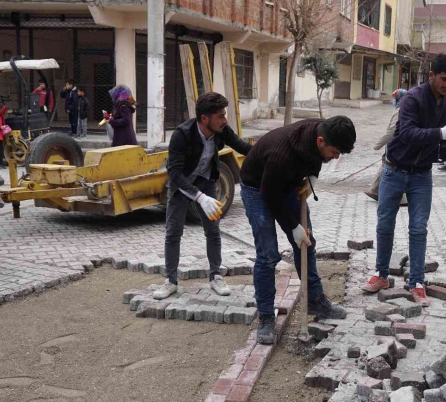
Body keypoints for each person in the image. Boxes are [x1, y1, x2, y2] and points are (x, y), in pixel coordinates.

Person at [361, 54, 446, 307]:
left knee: (418, 228)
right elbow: (408, 133)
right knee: (384, 225)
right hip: (394, 170)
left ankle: (417, 283)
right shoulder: (412, 98)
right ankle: (381, 275)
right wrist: (441, 133)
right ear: (431, 76)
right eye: (444, 79)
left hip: (422, 174)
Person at [240, 116, 356, 344]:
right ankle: (265, 315)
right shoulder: (282, 155)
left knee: (306, 244)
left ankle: (315, 299)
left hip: (287, 183)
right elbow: (269, 195)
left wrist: (312, 175)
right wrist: (293, 226)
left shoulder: (323, 129)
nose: (336, 157)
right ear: (321, 141)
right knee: (267, 255)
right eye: (334, 152)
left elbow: (316, 159)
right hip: (258, 188)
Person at [153, 92, 253, 301]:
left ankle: (216, 275)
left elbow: (243, 147)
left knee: (213, 230)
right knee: (173, 232)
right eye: (220, 116)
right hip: (181, 185)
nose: (225, 120)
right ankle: (170, 281)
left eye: (225, 115)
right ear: (205, 118)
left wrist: (270, 152)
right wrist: (199, 197)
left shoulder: (221, 130)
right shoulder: (182, 134)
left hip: (207, 181)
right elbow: (175, 174)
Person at [366, 89, 408, 207]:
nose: (393, 101)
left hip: (396, 145)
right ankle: (374, 190)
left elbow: (392, 130)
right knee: (385, 164)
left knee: (396, 168)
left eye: (395, 98)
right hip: (398, 144)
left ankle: (403, 198)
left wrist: (378, 145)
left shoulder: (400, 110)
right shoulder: (405, 108)